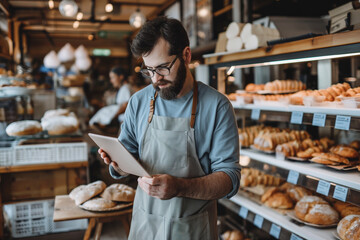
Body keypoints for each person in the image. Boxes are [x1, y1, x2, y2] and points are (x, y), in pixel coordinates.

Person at [98, 16, 240, 239]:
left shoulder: (218, 106)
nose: (156, 79)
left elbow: (230, 179)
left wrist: (180, 187)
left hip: (193, 229)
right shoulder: (138, 102)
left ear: (186, 55)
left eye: (163, 67)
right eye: (149, 70)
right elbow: (127, 162)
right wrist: (118, 165)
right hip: (146, 224)